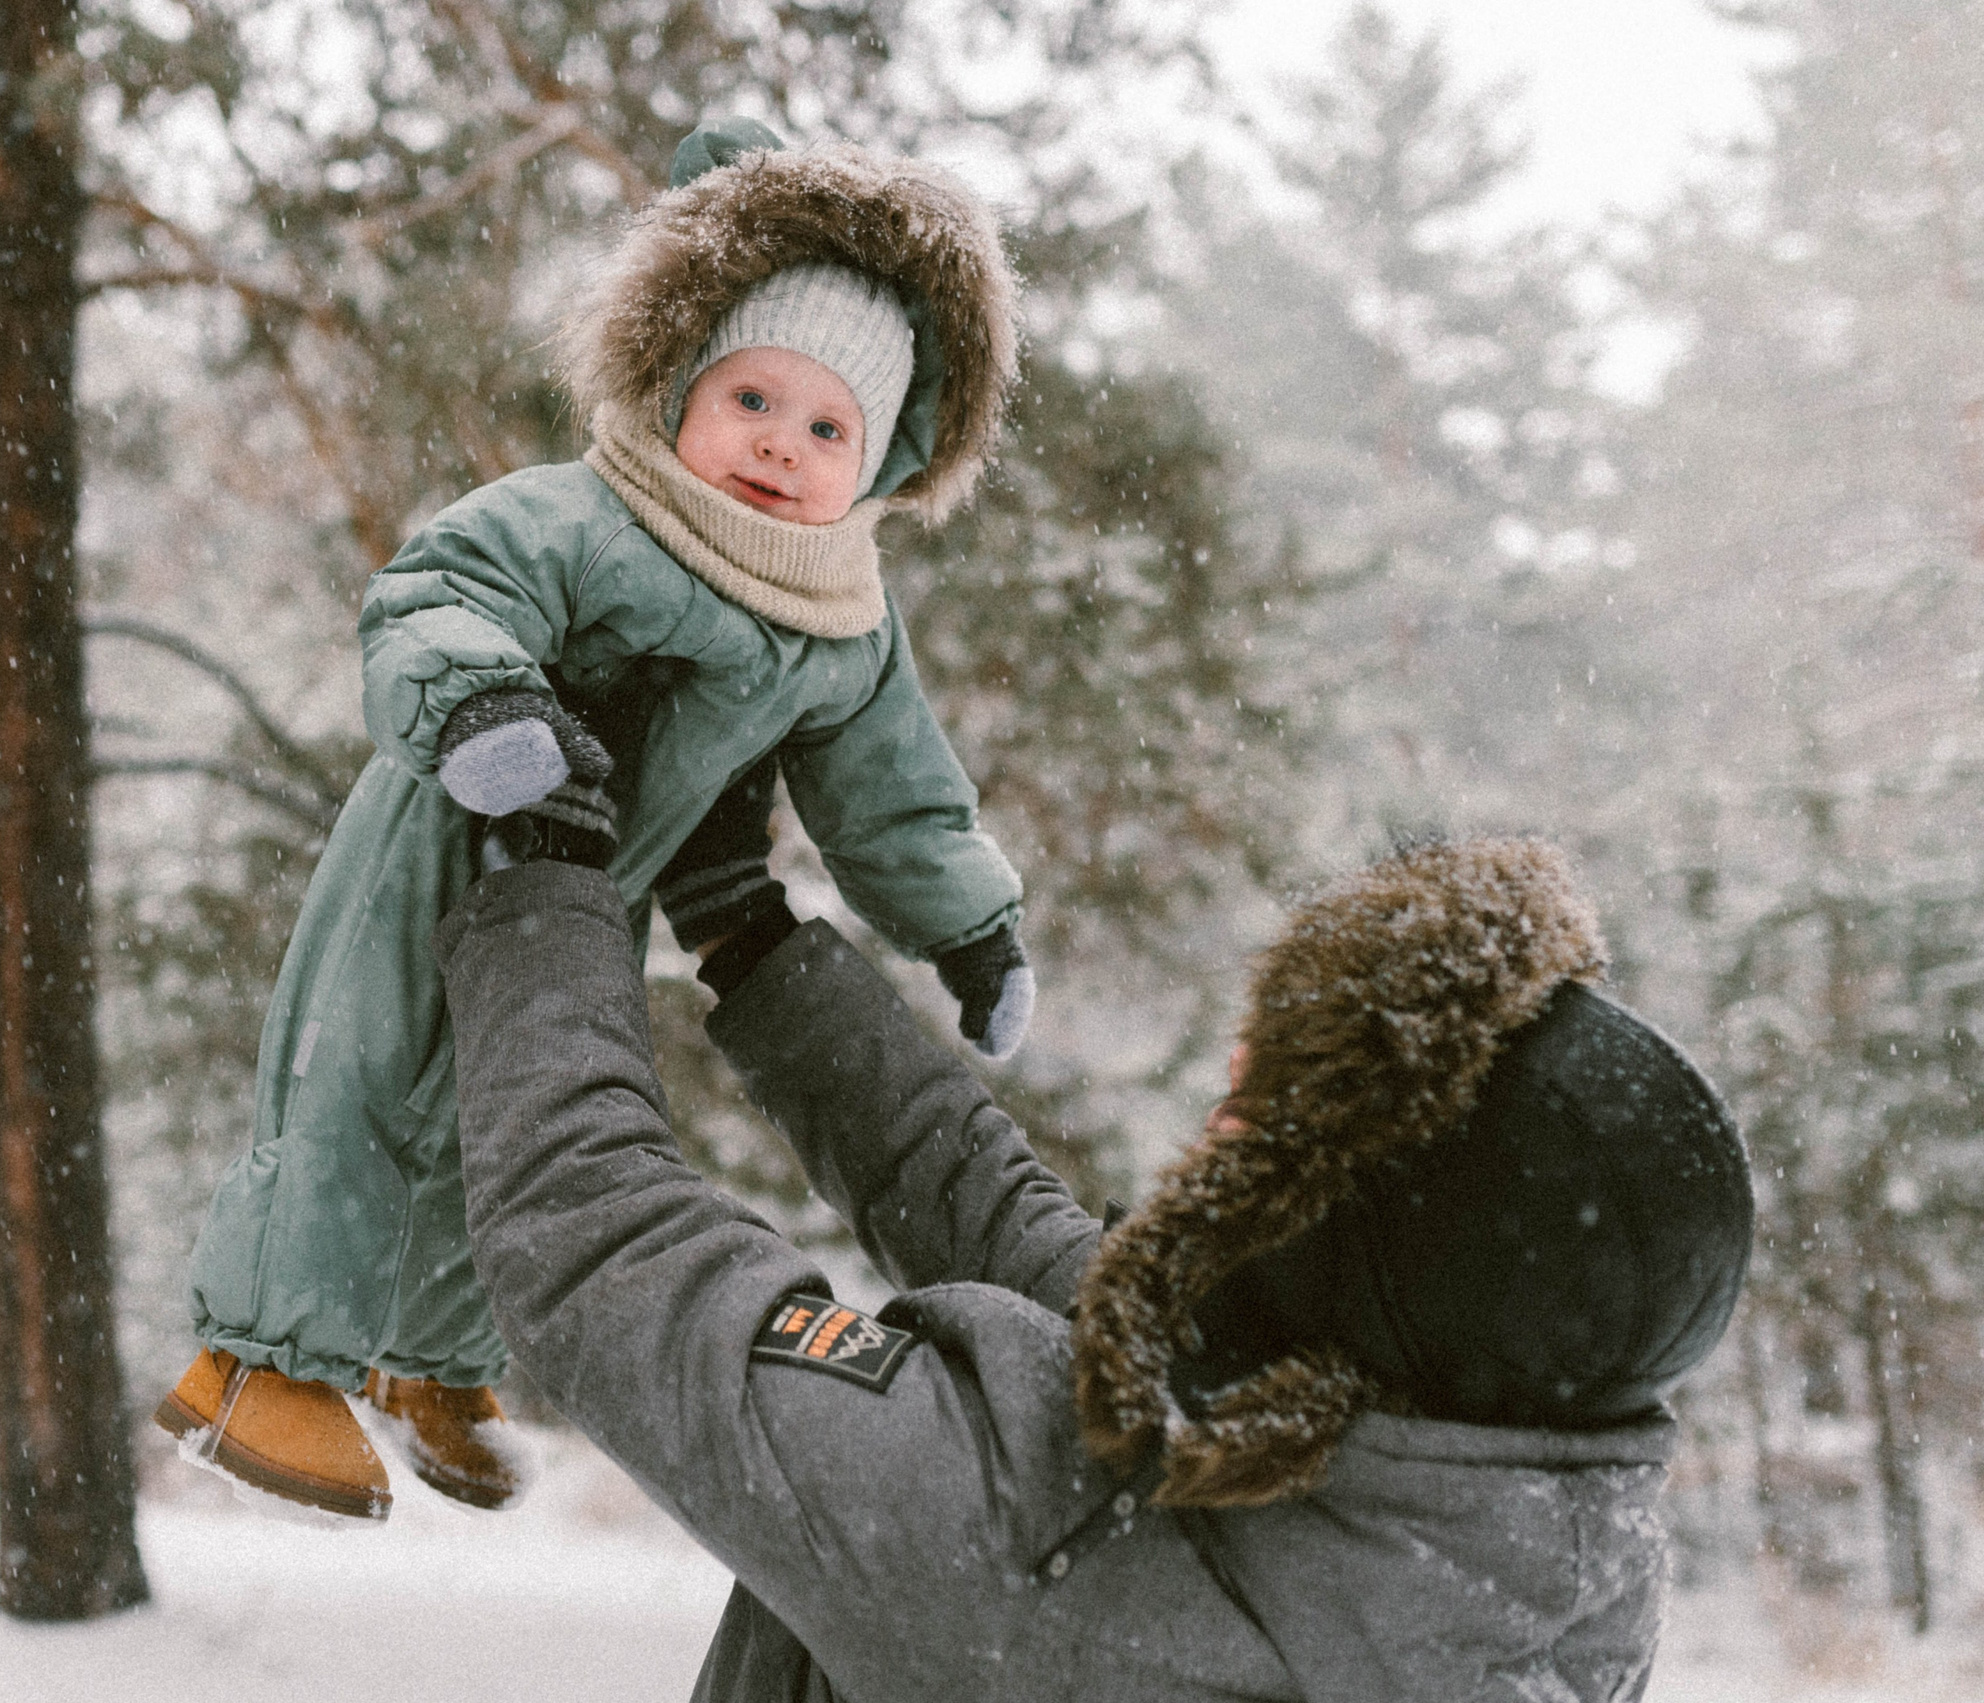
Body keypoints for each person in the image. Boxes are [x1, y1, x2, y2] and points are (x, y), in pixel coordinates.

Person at [156, 117, 1036, 1519]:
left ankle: (431, 1362)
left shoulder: (840, 623)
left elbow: (894, 795)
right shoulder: (590, 516)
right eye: (751, 398)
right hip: (447, 827)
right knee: (364, 1074)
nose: (778, 448)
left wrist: (971, 929)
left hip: (589, 888)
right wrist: (491, 707)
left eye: (827, 429)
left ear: (877, 466)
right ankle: (260, 1361)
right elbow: (436, 591)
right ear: (681, 380)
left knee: (500, 1116)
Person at [429, 826, 1754, 1700]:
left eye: (1258, 1130)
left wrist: (542, 873)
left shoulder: (1039, 1564)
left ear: (1332, 1238)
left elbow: (594, 1245)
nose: (1213, 1135)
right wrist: (752, 940)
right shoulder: (1513, 1528)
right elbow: (1053, 1267)